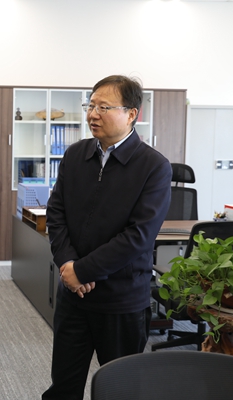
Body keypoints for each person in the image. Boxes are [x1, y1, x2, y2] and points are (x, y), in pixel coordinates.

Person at [42, 75, 172, 400]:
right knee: (63, 388)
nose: (93, 114)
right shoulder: (75, 155)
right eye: (91, 106)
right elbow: (55, 213)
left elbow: (138, 236)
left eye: (104, 107)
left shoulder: (154, 167)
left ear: (132, 114)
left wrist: (82, 271)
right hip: (74, 297)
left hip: (121, 302)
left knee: (120, 390)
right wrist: (67, 264)